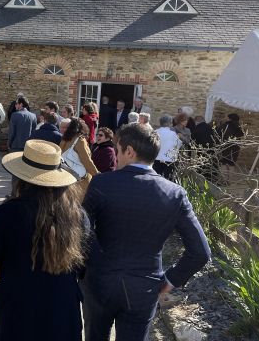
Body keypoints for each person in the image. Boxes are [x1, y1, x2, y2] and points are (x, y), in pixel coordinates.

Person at [81, 123, 211, 340]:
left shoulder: (102, 183)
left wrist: (89, 268)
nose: (116, 157)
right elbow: (200, 251)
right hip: (145, 286)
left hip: (99, 282)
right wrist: (170, 280)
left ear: (129, 151)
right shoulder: (175, 193)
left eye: (118, 150)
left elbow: (82, 232)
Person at [0, 139, 89, 340]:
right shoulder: (77, 214)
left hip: (16, 312)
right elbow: (84, 267)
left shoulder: (8, 212)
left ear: (21, 178)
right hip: (62, 311)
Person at [59, 117, 98, 193]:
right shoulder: (79, 140)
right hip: (79, 181)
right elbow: (87, 161)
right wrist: (97, 175)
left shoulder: (64, 139)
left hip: (64, 176)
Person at [217, 113, 245, 183]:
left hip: (225, 146)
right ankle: (229, 180)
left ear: (230, 118)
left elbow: (218, 134)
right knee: (231, 163)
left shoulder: (225, 126)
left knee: (223, 163)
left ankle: (223, 180)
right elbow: (241, 136)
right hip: (235, 147)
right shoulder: (239, 127)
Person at [154, 114, 183, 179]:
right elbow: (179, 144)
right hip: (169, 159)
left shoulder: (155, 132)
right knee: (167, 179)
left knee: (156, 178)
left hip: (156, 158)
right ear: (169, 123)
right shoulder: (173, 134)